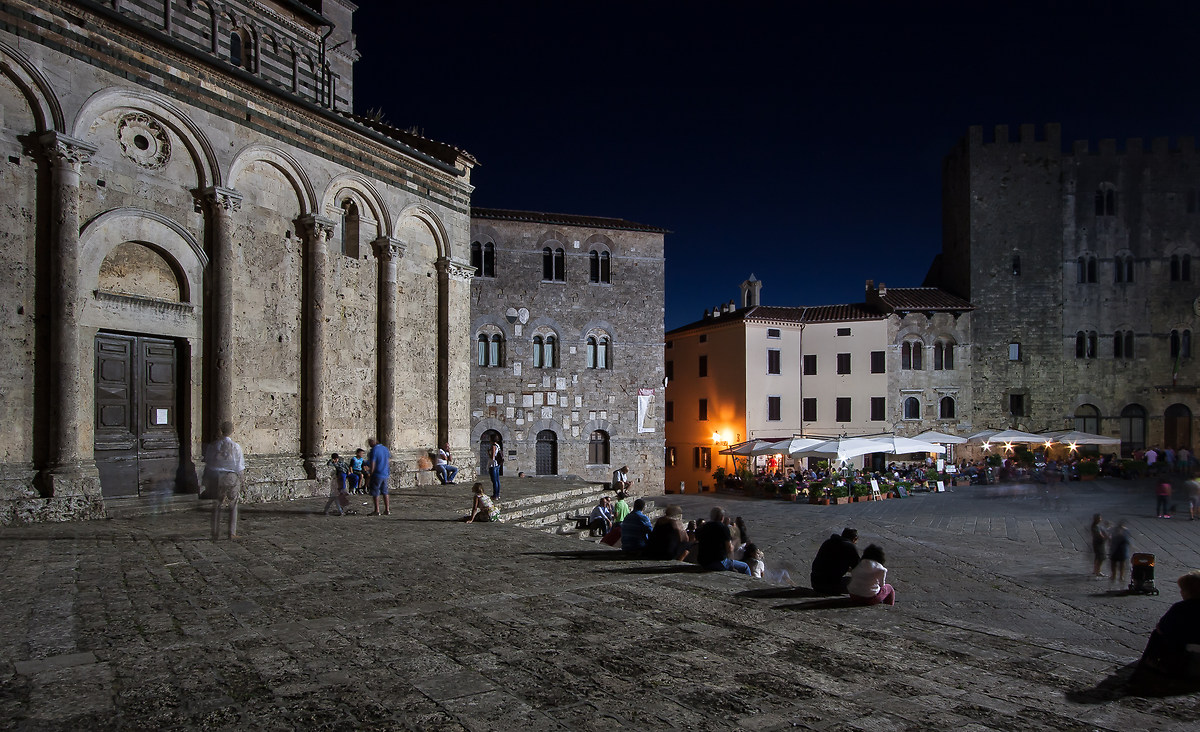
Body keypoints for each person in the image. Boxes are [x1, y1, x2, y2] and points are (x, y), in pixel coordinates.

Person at [1136, 571, 1200, 677]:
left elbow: (1162, 628)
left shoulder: (1180, 608)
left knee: (1157, 635)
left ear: (1189, 591)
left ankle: (1149, 661)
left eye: (1182, 590)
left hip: (1183, 658)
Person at [204, 420, 245, 541]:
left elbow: (208, 462)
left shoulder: (213, 446)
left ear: (221, 430)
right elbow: (239, 466)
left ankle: (215, 533)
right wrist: (242, 481)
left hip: (216, 476)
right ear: (231, 431)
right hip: (231, 476)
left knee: (217, 505)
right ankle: (231, 532)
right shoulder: (236, 447)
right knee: (233, 505)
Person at [696, 506, 750, 574]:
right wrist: (734, 543)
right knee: (745, 567)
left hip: (703, 561)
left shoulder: (704, 526)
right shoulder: (723, 528)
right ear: (722, 517)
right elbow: (729, 549)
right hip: (717, 562)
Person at [810, 528, 860, 594]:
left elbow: (831, 563)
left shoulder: (828, 542)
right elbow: (859, 569)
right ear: (855, 539)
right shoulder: (850, 547)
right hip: (830, 586)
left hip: (815, 583)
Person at [366, 437, 391, 516]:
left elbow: (373, 463)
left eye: (370, 443)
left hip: (377, 473)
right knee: (385, 492)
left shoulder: (374, 450)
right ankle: (387, 509)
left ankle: (377, 510)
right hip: (385, 473)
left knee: (375, 492)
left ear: (373, 443)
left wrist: (370, 473)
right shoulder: (385, 449)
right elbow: (387, 460)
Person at [1109, 520, 1131, 587]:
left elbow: (1126, 540)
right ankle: (1114, 575)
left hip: (1121, 550)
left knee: (1121, 564)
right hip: (1116, 550)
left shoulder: (1125, 532)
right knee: (1114, 564)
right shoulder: (1114, 531)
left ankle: (1120, 576)